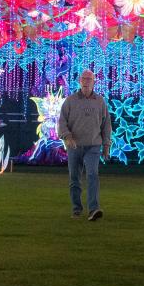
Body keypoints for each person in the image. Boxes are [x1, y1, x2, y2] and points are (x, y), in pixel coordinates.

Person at [57, 70, 112, 221]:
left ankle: (93, 209)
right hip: (74, 146)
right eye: (84, 78)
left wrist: (106, 145)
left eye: (90, 79)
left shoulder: (100, 101)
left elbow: (106, 124)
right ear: (80, 81)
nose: (86, 81)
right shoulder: (70, 101)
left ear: (94, 82)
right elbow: (61, 122)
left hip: (94, 146)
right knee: (74, 178)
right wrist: (67, 137)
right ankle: (76, 209)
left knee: (92, 175)